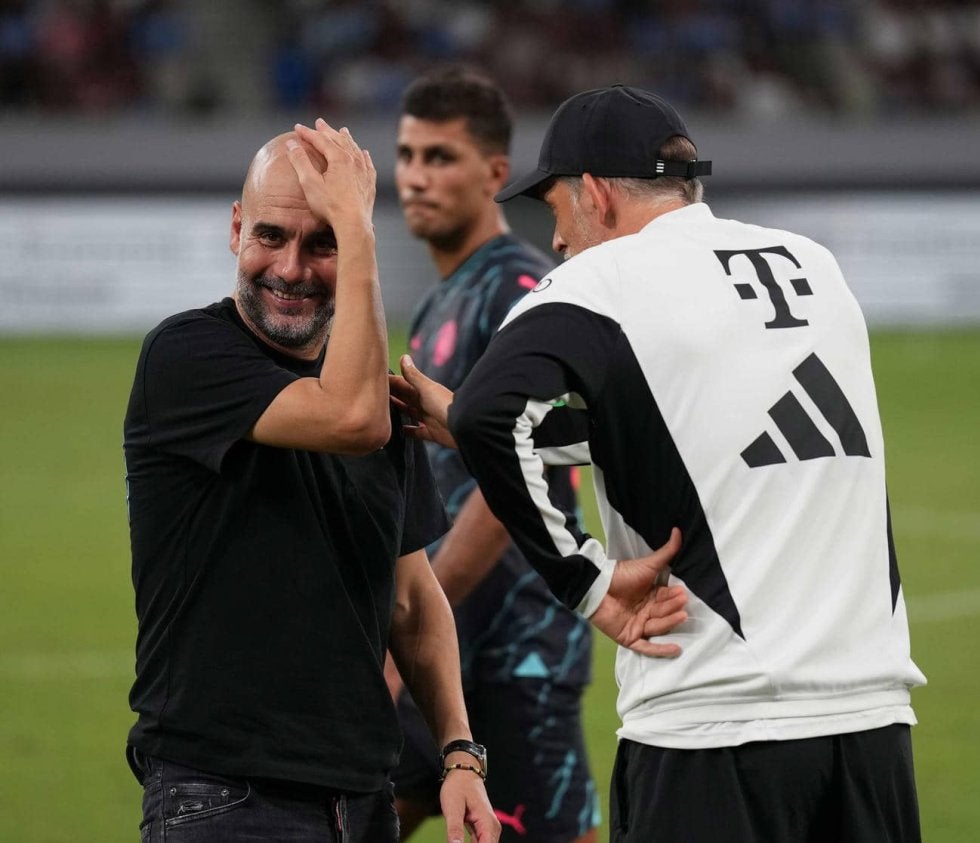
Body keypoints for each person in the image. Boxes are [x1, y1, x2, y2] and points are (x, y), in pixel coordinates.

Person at [392, 84, 927, 842]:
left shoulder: (599, 280)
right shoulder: (814, 265)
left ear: (598, 194)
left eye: (556, 211)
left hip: (708, 719)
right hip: (871, 723)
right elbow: (696, 418)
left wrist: (586, 580)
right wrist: (470, 423)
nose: (558, 242)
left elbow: (489, 414)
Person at [123, 119, 499, 843]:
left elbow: (415, 601)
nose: (291, 268)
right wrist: (356, 226)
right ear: (236, 229)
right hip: (222, 799)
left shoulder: (376, 397)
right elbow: (351, 419)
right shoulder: (187, 356)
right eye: (271, 235)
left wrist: (459, 753)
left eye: (322, 242)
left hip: (363, 802)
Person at [387, 66, 599, 843]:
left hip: (515, 647)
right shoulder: (445, 297)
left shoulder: (519, 288)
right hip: (448, 646)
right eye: (407, 155)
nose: (414, 176)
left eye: (440, 157)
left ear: (496, 174)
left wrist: (413, 614)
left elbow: (528, 472)